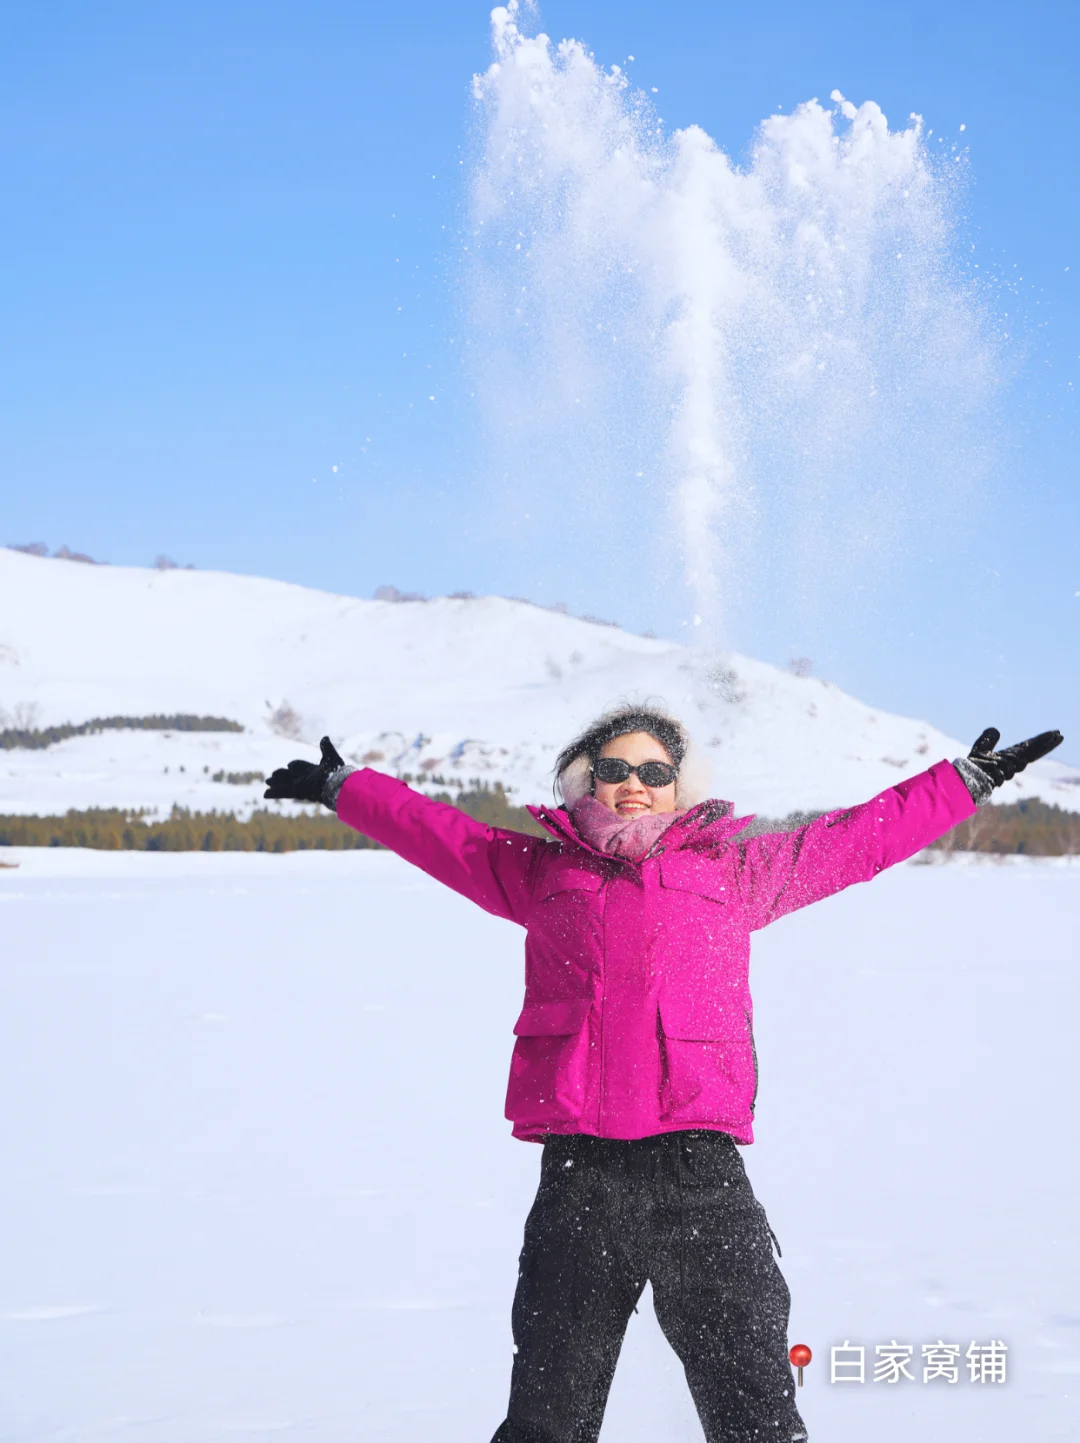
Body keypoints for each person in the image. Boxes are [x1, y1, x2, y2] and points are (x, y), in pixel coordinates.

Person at [265, 707, 1062, 1443]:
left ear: (680, 787)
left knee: (756, 1414)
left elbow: (854, 841)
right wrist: (346, 786)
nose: (634, 785)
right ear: (585, 777)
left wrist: (959, 782)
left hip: (701, 1182)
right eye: (617, 766)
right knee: (547, 1421)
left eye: (654, 771)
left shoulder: (735, 871)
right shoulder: (537, 873)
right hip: (580, 1182)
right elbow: (439, 834)